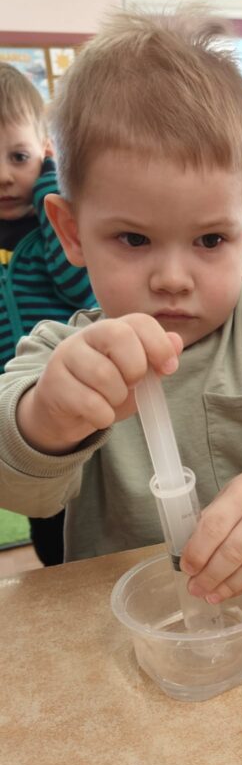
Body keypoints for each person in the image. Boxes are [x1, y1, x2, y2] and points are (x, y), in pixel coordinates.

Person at [0, 10, 242, 605]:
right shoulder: (63, 354)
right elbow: (22, 492)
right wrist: (47, 420)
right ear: (72, 232)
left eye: (210, 240)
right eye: (133, 239)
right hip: (128, 630)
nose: (172, 279)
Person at [0, 63, 96, 564]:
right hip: (13, 407)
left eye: (18, 157)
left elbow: (79, 287)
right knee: (40, 512)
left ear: (44, 153)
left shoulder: (52, 228)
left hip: (66, 387)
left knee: (82, 497)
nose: (3, 176)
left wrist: (47, 191)